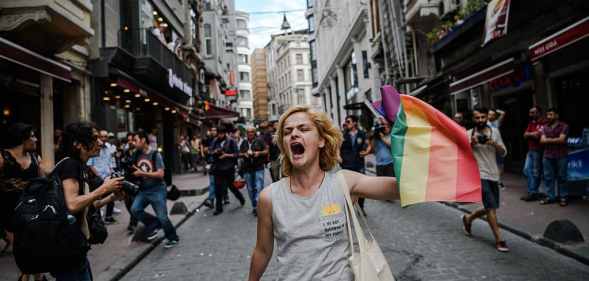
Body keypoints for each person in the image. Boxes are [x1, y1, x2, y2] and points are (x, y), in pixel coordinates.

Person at [248, 106, 399, 281]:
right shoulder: (269, 197)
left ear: (321, 140)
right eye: (287, 132)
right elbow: (262, 251)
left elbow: (401, 189)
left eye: (303, 129)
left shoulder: (343, 183)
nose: (294, 134)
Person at [52, 122, 124, 280]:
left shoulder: (79, 166)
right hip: (66, 248)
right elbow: (72, 204)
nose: (100, 142)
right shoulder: (70, 165)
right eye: (94, 138)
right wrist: (104, 188)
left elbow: (87, 206)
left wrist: (112, 196)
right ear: (78, 144)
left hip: (76, 247)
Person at [0, 123, 48, 281]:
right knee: (23, 252)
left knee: (35, 250)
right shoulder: (2, 157)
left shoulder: (35, 157)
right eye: (32, 136)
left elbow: (44, 181)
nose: (35, 139)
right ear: (23, 139)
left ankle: (34, 278)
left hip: (33, 212)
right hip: (10, 214)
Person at [462, 107, 509, 252]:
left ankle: (469, 218)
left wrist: (493, 143)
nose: (481, 120)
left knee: (492, 206)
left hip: (493, 173)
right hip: (478, 174)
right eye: (477, 118)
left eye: (483, 117)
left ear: (487, 118)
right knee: (490, 207)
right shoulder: (468, 134)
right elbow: (462, 154)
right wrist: (472, 143)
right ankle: (499, 240)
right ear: (473, 119)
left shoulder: (495, 132)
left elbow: (503, 152)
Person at [130, 131, 179, 248]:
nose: (133, 143)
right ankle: (154, 223)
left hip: (157, 189)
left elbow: (161, 174)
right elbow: (133, 167)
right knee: (135, 209)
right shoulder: (136, 154)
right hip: (143, 190)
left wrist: (142, 172)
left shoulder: (155, 154)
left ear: (143, 140)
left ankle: (172, 237)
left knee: (162, 216)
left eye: (135, 140)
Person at [210, 125, 245, 215]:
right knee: (218, 188)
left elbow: (237, 154)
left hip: (229, 168)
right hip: (218, 168)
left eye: (221, 133)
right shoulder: (215, 141)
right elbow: (210, 151)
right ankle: (219, 208)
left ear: (225, 133)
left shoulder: (231, 141)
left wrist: (226, 155)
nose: (220, 135)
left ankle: (241, 198)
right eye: (219, 134)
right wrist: (215, 152)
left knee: (231, 186)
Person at [539, 108, 569, 206]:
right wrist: (555, 139)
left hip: (561, 155)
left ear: (556, 116)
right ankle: (550, 196)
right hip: (547, 155)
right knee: (548, 177)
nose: (548, 117)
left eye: (551, 115)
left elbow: (562, 140)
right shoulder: (545, 127)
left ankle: (563, 197)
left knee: (562, 177)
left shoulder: (564, 126)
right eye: (547, 115)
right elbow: (542, 141)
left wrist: (548, 140)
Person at [340, 115, 369, 214]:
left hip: (359, 164)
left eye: (348, 121)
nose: (346, 123)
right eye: (346, 122)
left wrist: (366, 152)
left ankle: (361, 207)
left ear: (355, 123)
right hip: (346, 165)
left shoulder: (362, 134)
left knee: (363, 187)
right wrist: (338, 157)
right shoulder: (342, 135)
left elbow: (368, 145)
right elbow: (336, 148)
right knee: (347, 188)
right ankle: (348, 209)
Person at [87, 130, 117, 224]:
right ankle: (97, 220)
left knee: (111, 197)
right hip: (98, 178)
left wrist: (112, 172)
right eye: (102, 136)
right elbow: (90, 164)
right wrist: (98, 176)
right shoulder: (94, 148)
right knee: (97, 199)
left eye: (106, 136)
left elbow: (110, 161)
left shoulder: (108, 147)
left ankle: (108, 217)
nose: (104, 138)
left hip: (107, 176)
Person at [239, 127, 269, 216]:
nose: (250, 133)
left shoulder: (260, 140)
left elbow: (266, 150)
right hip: (247, 168)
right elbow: (239, 153)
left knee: (258, 187)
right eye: (248, 132)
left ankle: (258, 205)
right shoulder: (244, 142)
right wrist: (244, 154)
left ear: (254, 133)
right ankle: (255, 206)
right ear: (246, 133)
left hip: (258, 167)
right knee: (250, 189)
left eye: (252, 132)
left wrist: (258, 153)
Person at [521, 106, 545, 202]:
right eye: (530, 112)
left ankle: (533, 192)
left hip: (538, 150)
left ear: (539, 113)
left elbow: (537, 135)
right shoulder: (532, 123)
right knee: (527, 170)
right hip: (530, 150)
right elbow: (525, 135)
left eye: (533, 112)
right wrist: (532, 134)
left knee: (536, 172)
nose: (530, 114)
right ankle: (533, 191)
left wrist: (530, 134)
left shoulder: (544, 123)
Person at [202, 127, 218, 208]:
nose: (213, 132)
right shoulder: (208, 139)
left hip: (221, 164)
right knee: (212, 182)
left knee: (222, 183)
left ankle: (225, 197)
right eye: (212, 130)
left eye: (215, 130)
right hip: (211, 163)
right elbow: (205, 150)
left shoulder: (220, 139)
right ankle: (211, 200)